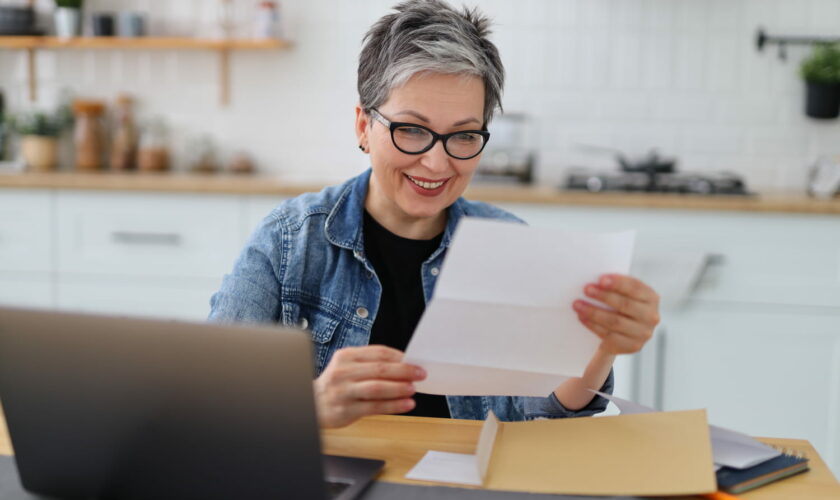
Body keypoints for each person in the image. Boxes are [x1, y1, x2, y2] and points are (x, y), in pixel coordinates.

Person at [209, 0, 660, 429]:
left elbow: (544, 413)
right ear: (364, 127)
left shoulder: (509, 246)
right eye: (411, 130)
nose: (437, 164)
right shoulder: (290, 241)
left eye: (463, 136)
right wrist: (310, 405)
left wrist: (600, 349)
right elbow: (209, 399)